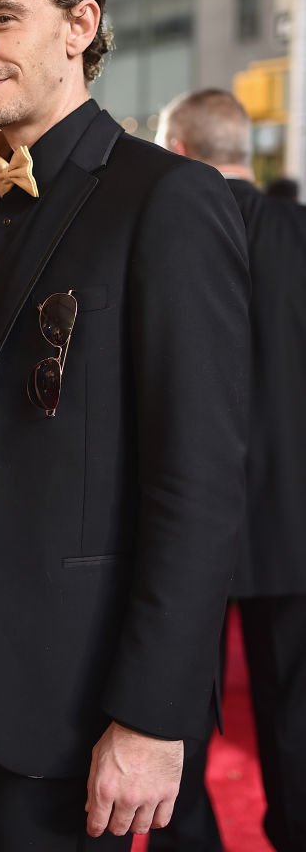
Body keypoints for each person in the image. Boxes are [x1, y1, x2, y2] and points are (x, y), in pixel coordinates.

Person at [0, 0, 250, 851]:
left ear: (81, 26)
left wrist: (154, 716)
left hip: (88, 708)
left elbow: (199, 483)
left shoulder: (171, 199)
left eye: (1, 18)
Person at [155, 88, 306, 852]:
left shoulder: (167, 234)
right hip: (296, 521)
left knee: (174, 715)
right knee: (300, 722)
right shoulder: (302, 232)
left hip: (189, 532)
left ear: (179, 150)